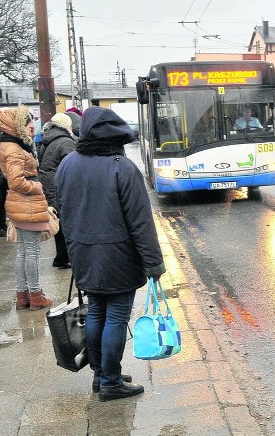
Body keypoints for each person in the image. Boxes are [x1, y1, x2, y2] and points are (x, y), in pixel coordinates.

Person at [56, 106, 165, 402]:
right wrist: (153, 262)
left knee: (97, 313)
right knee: (115, 316)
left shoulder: (68, 163)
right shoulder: (123, 167)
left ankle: (100, 374)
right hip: (117, 255)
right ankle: (111, 382)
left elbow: (63, 208)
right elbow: (140, 221)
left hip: (82, 252)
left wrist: (72, 248)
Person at [0, 106, 53, 311]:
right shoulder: (14, 149)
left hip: (21, 204)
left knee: (24, 251)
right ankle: (36, 296)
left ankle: (23, 296)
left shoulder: (12, 145)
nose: (31, 126)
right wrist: (36, 186)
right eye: (27, 123)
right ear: (17, 126)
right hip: (26, 203)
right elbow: (16, 182)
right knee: (31, 252)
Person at [38, 113, 76, 269]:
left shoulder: (47, 140)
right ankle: (63, 257)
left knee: (60, 221)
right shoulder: (66, 142)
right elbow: (72, 167)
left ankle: (61, 257)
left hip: (49, 185)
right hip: (60, 186)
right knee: (66, 223)